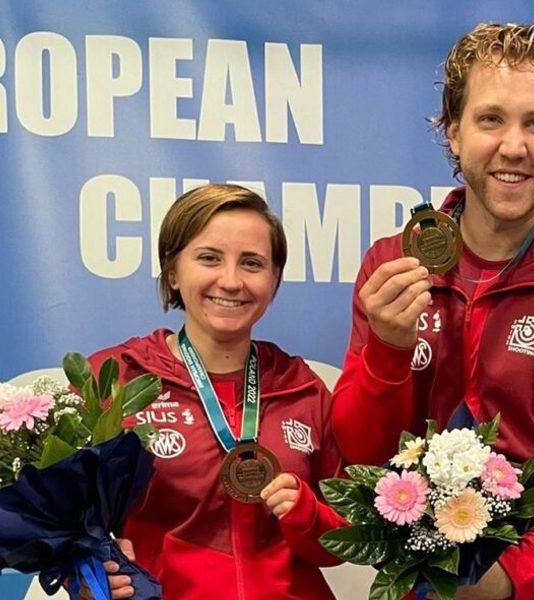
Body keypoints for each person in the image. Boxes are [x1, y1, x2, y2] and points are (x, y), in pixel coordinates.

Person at [330, 23, 534, 600]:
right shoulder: (392, 265)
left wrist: (511, 578)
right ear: (454, 131)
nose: (513, 146)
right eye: (491, 119)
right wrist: (387, 350)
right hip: (419, 585)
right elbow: (360, 453)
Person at [92, 184, 345, 599]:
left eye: (252, 263)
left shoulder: (302, 388)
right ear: (173, 271)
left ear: (274, 280)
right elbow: (60, 520)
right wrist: (84, 571)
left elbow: (341, 542)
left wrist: (306, 513)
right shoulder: (116, 378)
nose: (230, 281)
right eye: (209, 258)